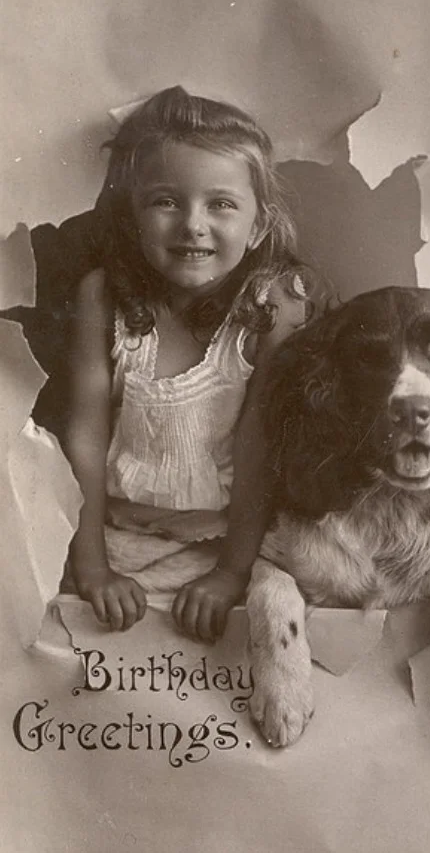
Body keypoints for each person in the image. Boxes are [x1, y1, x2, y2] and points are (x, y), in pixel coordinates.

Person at [64, 85, 317, 641]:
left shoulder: (273, 306)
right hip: (113, 538)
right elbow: (84, 436)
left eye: (220, 204)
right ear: (132, 215)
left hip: (230, 546)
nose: (193, 225)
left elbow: (260, 451)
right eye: (166, 201)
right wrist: (92, 566)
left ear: (258, 225)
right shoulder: (102, 295)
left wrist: (230, 573)